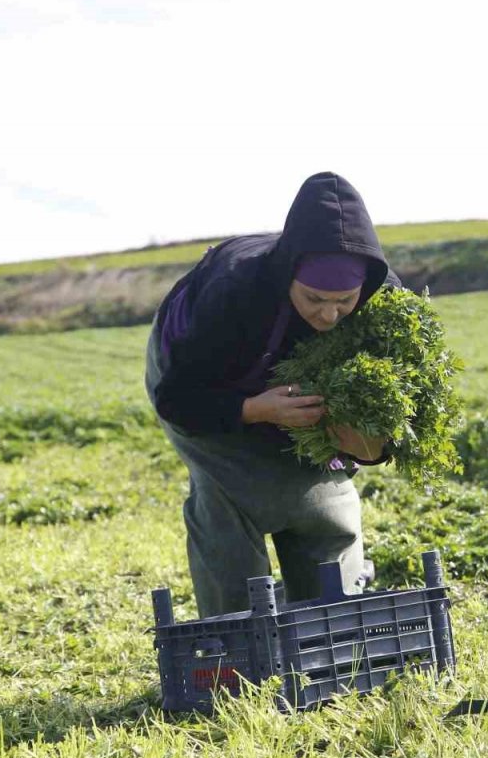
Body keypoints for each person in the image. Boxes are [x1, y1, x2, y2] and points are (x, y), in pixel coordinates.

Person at [145, 172, 400, 618]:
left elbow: (394, 413)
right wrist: (254, 410)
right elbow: (178, 399)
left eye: (345, 300)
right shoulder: (234, 291)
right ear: (288, 276)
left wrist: (367, 440)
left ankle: (330, 624)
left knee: (324, 503)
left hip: (301, 404)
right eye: (314, 297)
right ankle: (240, 633)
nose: (330, 314)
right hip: (202, 385)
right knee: (232, 497)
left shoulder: (385, 302)